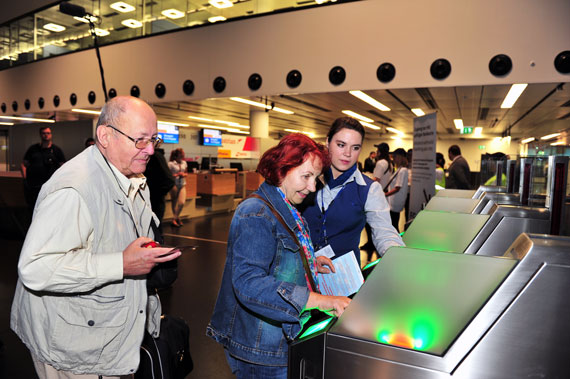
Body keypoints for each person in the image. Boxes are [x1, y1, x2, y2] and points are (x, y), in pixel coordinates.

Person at [10, 96, 181, 378]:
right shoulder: (74, 189)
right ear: (105, 136)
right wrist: (122, 264)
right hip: (71, 351)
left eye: (154, 139)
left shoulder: (131, 176)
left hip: (104, 335)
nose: (150, 150)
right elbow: (35, 267)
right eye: (140, 140)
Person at [207, 134, 351, 379]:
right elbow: (249, 284)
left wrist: (308, 261)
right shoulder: (255, 212)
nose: (312, 186)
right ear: (282, 169)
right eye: (306, 176)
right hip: (261, 350)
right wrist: (323, 301)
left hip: (278, 343)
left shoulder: (288, 207)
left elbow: (275, 254)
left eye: (315, 178)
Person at [302, 117, 404, 267]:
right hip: (302, 273)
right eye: (341, 145)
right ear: (327, 142)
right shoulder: (306, 178)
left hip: (343, 278)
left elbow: (384, 231)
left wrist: (398, 256)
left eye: (355, 147)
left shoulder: (369, 189)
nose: (348, 153)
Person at [21, 126, 66, 208]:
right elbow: (24, 164)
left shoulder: (56, 150)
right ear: (40, 135)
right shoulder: (33, 149)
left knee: (48, 207)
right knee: (33, 207)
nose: (46, 135)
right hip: (34, 186)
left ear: (51, 135)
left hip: (50, 186)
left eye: (48, 133)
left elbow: (63, 166)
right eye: (44, 133)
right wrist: (25, 177)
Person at [145, 147, 175, 231]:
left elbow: (169, 180)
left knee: (155, 229)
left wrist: (156, 194)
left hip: (154, 199)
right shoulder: (155, 156)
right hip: (154, 198)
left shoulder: (155, 156)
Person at [384, 148, 409, 232]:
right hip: (393, 200)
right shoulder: (399, 169)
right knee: (393, 224)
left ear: (400, 157)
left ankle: (396, 243)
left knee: (394, 225)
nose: (393, 159)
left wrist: (385, 194)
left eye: (395, 156)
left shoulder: (402, 170)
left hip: (396, 201)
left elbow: (397, 187)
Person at [168, 148, 188, 227]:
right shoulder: (170, 164)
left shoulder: (184, 163)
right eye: (181, 154)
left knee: (181, 202)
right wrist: (176, 175)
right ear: (176, 155)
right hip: (174, 184)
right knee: (175, 202)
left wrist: (183, 175)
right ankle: (177, 218)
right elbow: (168, 175)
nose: (182, 156)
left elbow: (186, 173)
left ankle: (174, 218)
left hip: (182, 184)